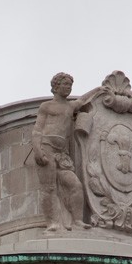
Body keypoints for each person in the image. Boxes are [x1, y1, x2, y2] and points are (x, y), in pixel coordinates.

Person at [32, 72, 84, 230]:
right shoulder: (46, 106)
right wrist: (37, 150)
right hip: (46, 147)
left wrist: (101, 89)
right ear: (56, 86)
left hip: (62, 153)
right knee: (49, 188)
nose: (69, 87)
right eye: (65, 84)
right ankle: (52, 222)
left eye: (70, 85)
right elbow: (37, 130)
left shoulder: (71, 106)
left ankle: (77, 220)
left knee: (76, 185)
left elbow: (84, 99)